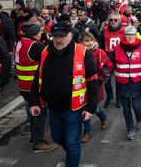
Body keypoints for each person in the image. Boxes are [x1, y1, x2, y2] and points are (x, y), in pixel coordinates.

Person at [29, 22, 98, 167]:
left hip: (74, 110)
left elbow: (92, 81)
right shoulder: (45, 51)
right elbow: (38, 77)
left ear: (70, 35)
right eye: (55, 36)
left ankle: (72, 159)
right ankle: (73, 155)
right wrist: (34, 101)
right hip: (53, 108)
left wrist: (91, 107)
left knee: (72, 144)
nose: (58, 40)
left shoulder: (83, 52)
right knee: (58, 138)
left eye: (62, 36)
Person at [13, 22, 58, 152]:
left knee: (33, 112)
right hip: (34, 86)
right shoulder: (35, 45)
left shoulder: (20, 42)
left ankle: (34, 136)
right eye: (40, 31)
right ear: (36, 33)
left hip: (23, 85)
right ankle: (38, 142)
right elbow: (50, 57)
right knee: (40, 113)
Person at [110, 26, 141, 140]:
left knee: (136, 106)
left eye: (132, 34)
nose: (130, 36)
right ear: (124, 35)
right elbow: (109, 64)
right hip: (122, 84)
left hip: (136, 84)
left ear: (136, 35)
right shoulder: (117, 49)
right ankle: (130, 129)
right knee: (126, 109)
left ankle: (139, 118)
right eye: (128, 34)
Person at [80, 32, 113, 143]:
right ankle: (87, 132)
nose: (89, 43)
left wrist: (101, 79)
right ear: (81, 42)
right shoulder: (78, 53)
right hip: (81, 86)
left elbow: (109, 66)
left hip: (95, 85)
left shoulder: (99, 52)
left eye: (90, 40)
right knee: (84, 109)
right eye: (86, 41)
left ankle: (103, 118)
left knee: (96, 108)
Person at [99, 12, 125, 108]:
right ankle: (109, 97)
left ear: (119, 21)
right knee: (106, 80)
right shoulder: (103, 31)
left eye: (115, 20)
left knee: (120, 81)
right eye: (111, 20)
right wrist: (101, 61)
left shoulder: (125, 31)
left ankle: (119, 98)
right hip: (108, 60)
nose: (113, 21)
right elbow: (100, 47)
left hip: (120, 60)